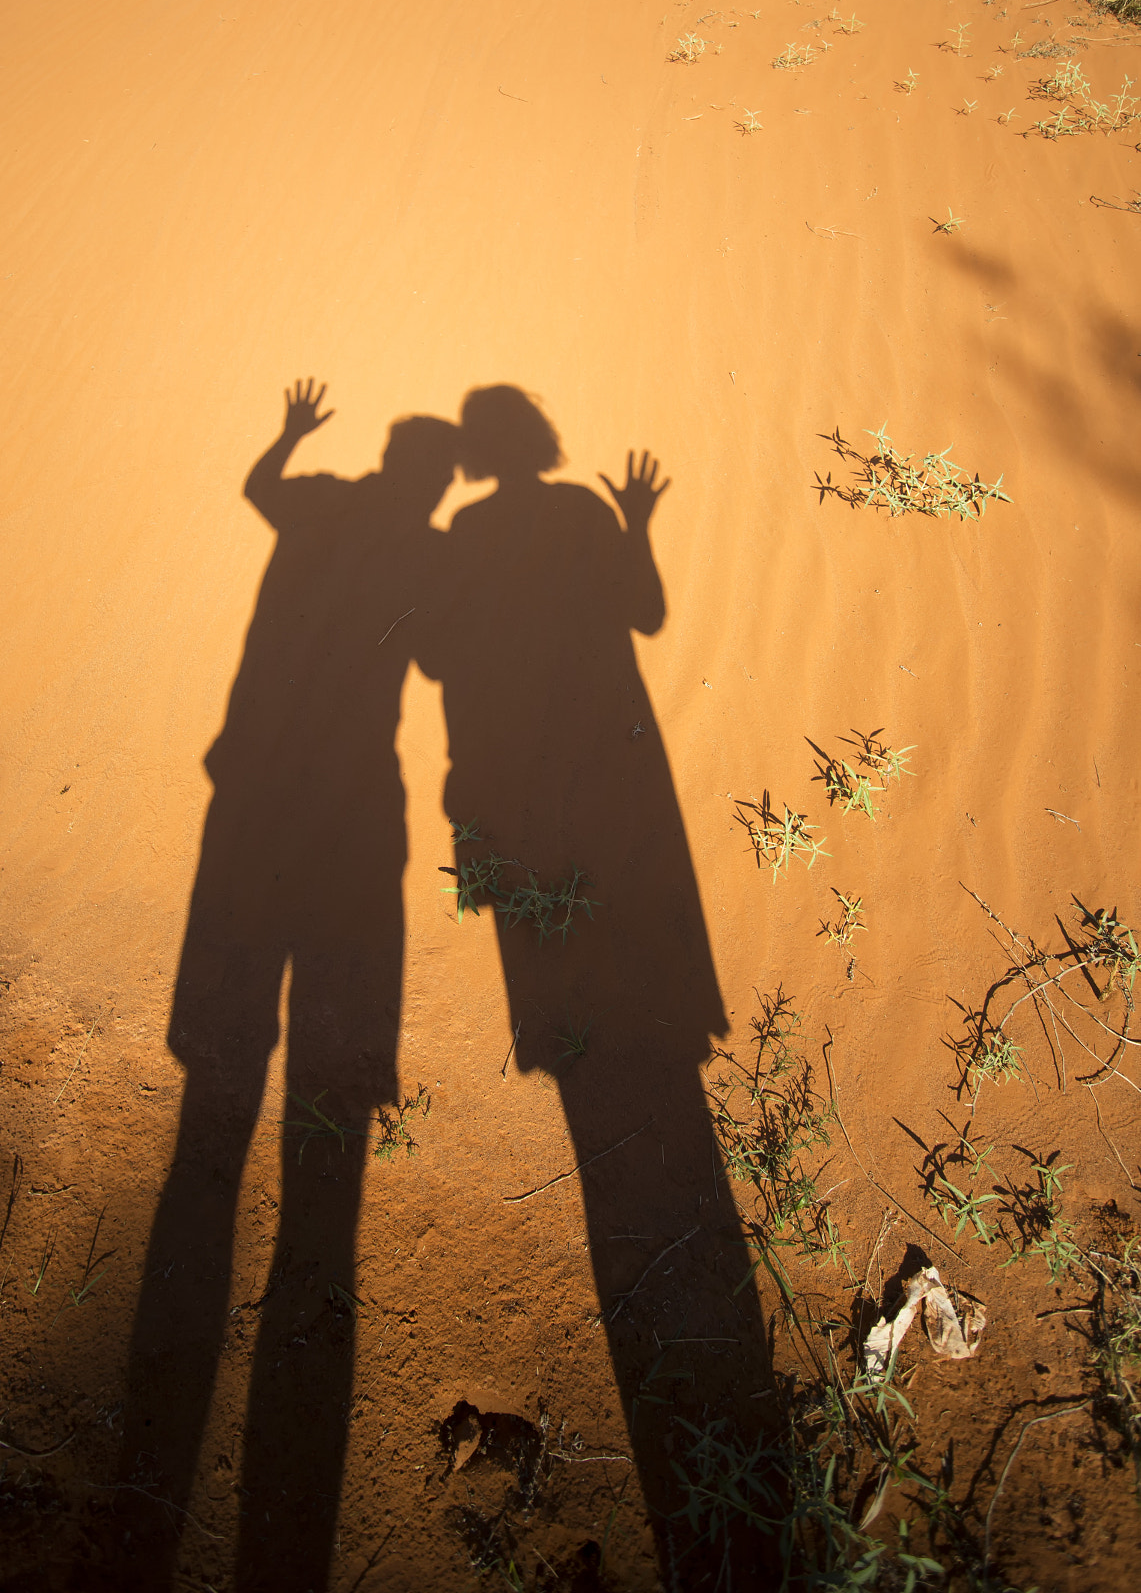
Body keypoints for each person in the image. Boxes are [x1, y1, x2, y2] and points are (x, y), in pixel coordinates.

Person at [418, 385, 771, 1574]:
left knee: (559, 923)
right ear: (548, 449)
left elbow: (428, 650)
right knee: (631, 907)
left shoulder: (464, 533)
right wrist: (635, 521)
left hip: (521, 768)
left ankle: (583, 1037)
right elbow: (652, 612)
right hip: (616, 764)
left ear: (476, 457)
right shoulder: (574, 509)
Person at [120, 380, 457, 1592]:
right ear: (437, 477)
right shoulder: (415, 546)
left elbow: (257, 489)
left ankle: (224, 1096)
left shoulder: (316, 501)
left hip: (256, 784)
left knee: (230, 1035)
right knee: (302, 1037)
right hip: (342, 806)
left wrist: (288, 434)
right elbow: (441, 649)